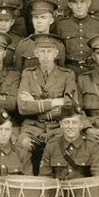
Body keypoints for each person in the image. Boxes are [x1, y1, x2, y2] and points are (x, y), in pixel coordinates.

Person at [18, 34, 78, 162]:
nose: (45, 56)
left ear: (55, 54)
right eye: (42, 51)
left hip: (57, 128)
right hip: (33, 128)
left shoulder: (67, 75)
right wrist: (54, 102)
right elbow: (23, 107)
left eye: (49, 52)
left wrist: (35, 104)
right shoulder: (28, 74)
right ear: (36, 53)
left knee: (60, 148)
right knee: (23, 145)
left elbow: (69, 105)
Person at [38, 102, 99, 180]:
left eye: (74, 122)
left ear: (81, 125)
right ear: (61, 124)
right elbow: (45, 178)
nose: (70, 126)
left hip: (83, 190)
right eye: (67, 122)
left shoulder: (91, 145)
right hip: (59, 191)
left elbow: (98, 176)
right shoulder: (52, 146)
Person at [56, 0, 99, 74]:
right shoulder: (61, 25)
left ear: (89, 3)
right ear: (70, 5)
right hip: (69, 71)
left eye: (82, 2)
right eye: (75, 3)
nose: (79, 6)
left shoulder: (98, 25)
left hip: (92, 71)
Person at [16, 0, 67, 69]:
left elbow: (61, 73)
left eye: (43, 17)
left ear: (51, 20)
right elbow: (18, 72)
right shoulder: (23, 45)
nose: (39, 21)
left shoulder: (58, 46)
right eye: (35, 17)